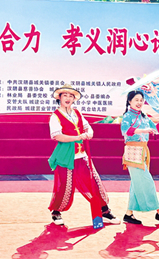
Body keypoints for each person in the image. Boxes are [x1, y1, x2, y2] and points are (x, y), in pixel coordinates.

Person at [48, 84, 119, 229]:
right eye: (65, 95)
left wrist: (89, 133)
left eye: (71, 96)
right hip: (66, 156)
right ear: (59, 98)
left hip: (82, 155)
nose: (68, 98)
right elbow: (57, 136)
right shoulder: (55, 116)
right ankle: (56, 212)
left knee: (93, 183)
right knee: (64, 186)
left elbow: (87, 127)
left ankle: (104, 211)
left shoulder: (77, 113)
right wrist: (78, 137)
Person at [120, 90, 159, 226]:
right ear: (129, 101)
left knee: (136, 183)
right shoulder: (127, 116)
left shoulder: (144, 117)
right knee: (147, 182)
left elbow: (156, 130)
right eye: (136, 100)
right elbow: (125, 130)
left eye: (141, 100)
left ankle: (128, 214)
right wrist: (143, 130)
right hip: (133, 151)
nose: (139, 102)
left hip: (143, 151)